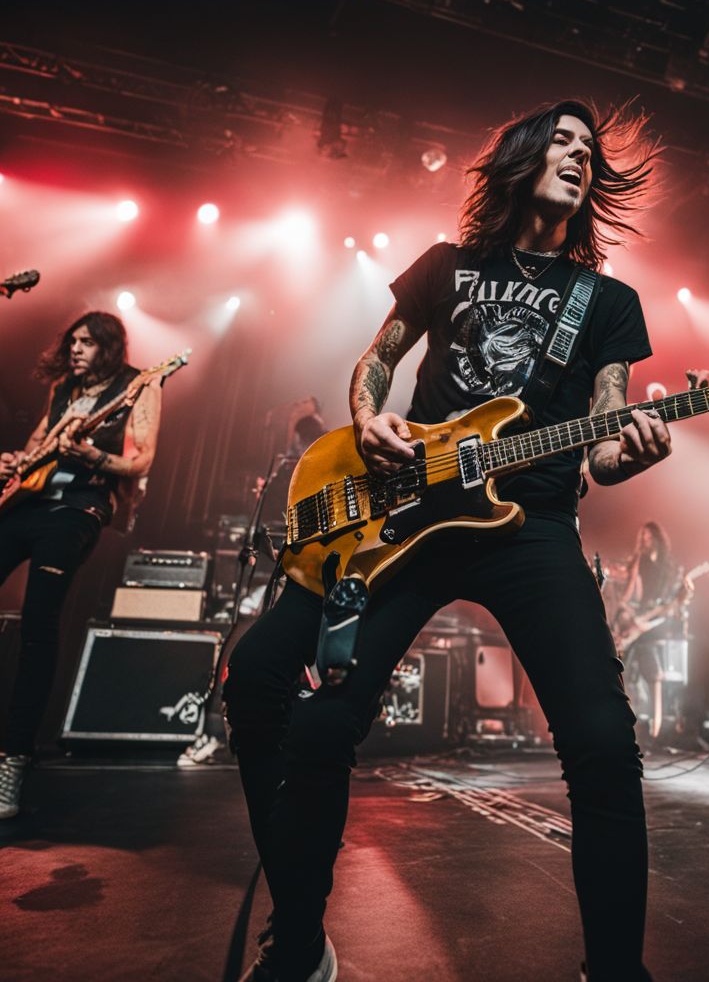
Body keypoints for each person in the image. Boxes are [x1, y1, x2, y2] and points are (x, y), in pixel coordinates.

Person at [224, 99, 668, 982]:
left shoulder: (607, 301)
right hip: (409, 520)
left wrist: (632, 450)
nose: (579, 157)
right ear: (523, 156)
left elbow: (606, 438)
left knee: (603, 746)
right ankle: (302, 944)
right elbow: (378, 360)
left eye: (591, 150)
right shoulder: (445, 266)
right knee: (315, 728)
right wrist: (367, 418)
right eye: (563, 141)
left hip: (533, 525)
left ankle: (617, 972)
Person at [0, 311, 162, 817]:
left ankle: (14, 760)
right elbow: (38, 444)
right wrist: (14, 462)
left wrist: (89, 454)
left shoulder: (140, 385)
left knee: (38, 624)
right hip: (28, 502)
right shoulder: (66, 388)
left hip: (78, 508)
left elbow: (142, 462)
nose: (75, 349)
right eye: (72, 341)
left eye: (87, 342)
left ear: (109, 347)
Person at [614, 522, 689, 742]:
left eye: (649, 537)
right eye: (643, 538)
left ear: (658, 538)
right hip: (641, 617)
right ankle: (631, 724)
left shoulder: (670, 566)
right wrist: (624, 609)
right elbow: (631, 593)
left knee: (654, 673)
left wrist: (682, 597)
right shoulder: (639, 561)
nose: (646, 541)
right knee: (628, 667)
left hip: (658, 619)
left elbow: (675, 600)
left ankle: (656, 729)